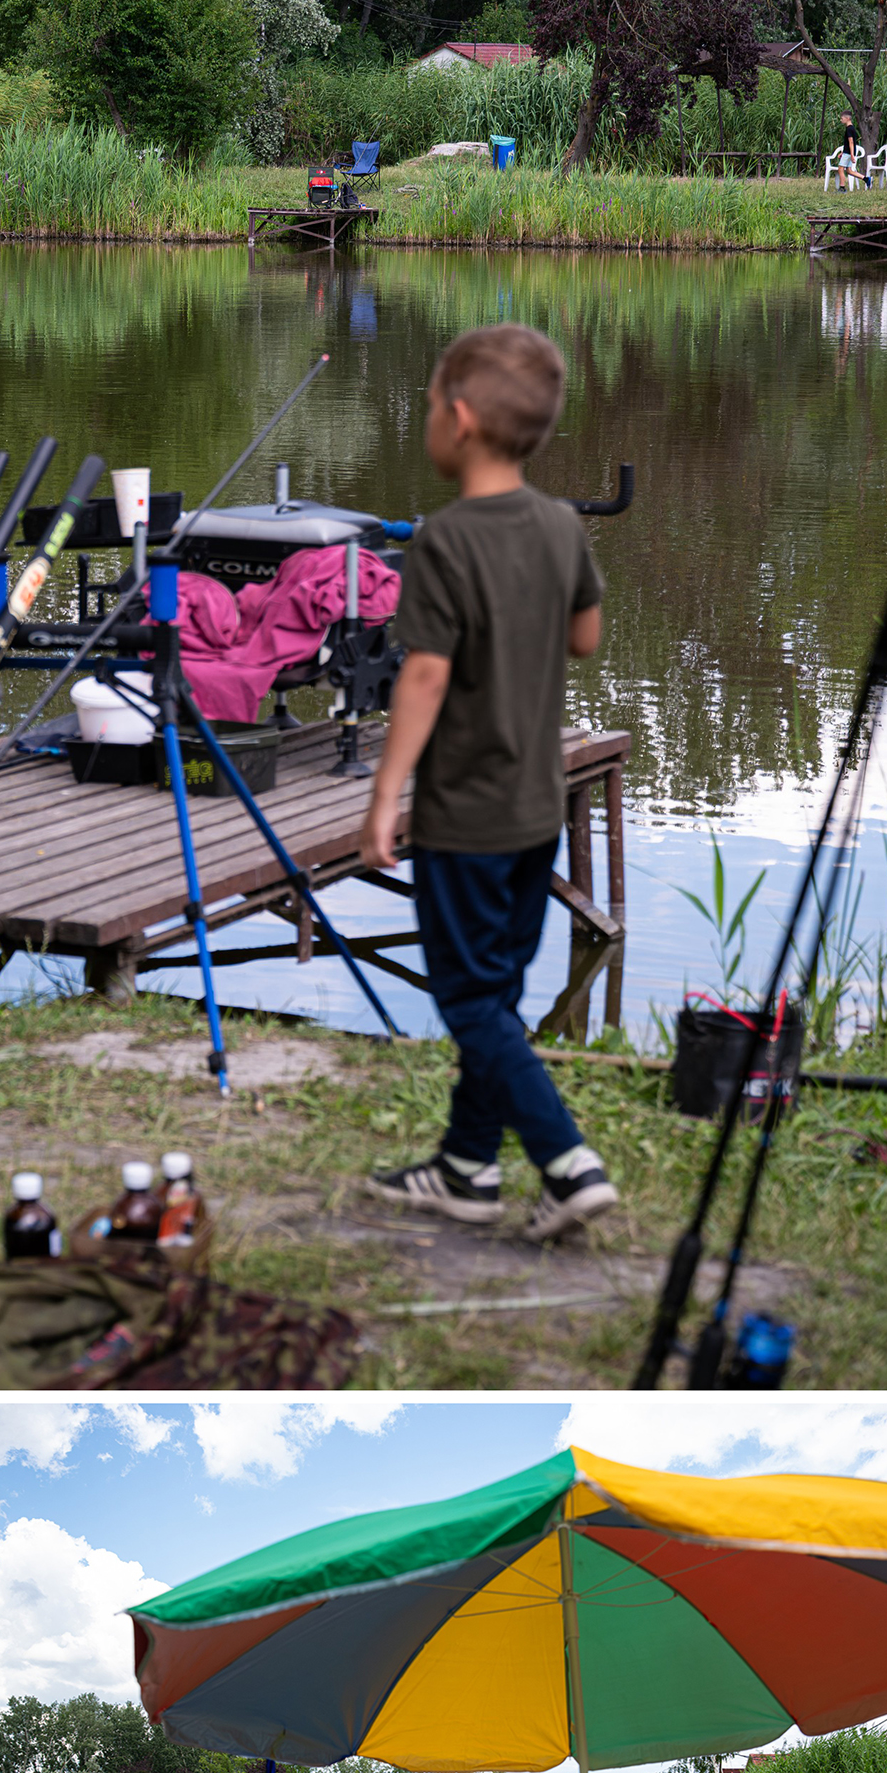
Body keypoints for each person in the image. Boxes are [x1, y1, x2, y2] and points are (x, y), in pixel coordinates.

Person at [356, 322, 618, 1242]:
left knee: (468, 999)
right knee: (495, 994)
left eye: (429, 404)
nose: (427, 418)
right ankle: (468, 1169)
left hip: (465, 813)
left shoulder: (443, 541)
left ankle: (568, 1161)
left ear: (460, 420)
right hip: (537, 807)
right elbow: (584, 637)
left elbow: (423, 675)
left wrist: (386, 791)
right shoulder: (558, 523)